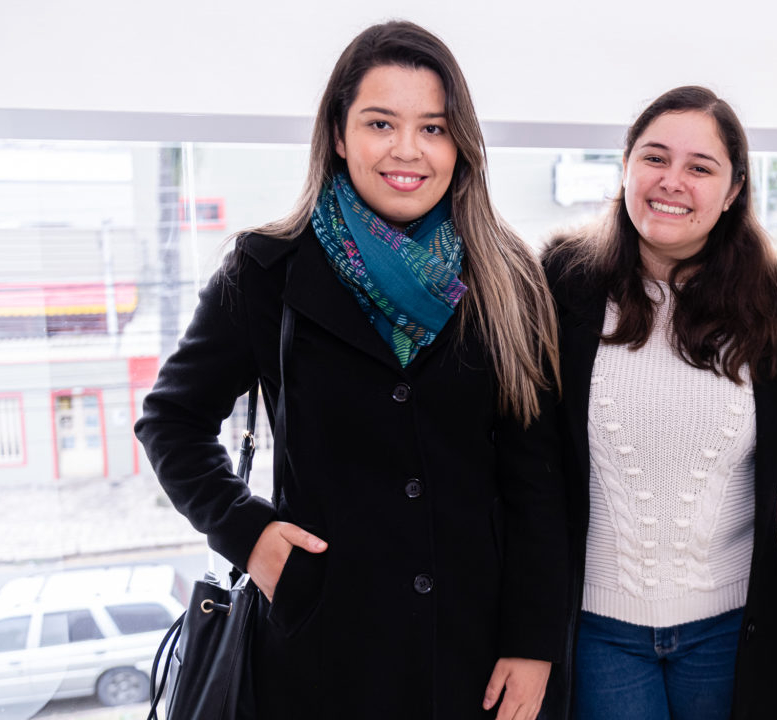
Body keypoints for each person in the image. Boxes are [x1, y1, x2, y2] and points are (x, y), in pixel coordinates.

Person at [135, 21, 567, 720]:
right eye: (380, 123)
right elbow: (171, 421)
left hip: (477, 657)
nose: (408, 150)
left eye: (433, 127)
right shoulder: (265, 270)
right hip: (322, 653)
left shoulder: (507, 278)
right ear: (338, 134)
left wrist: (534, 641)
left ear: (460, 143)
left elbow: (536, 481)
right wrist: (250, 535)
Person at [540, 86, 777, 720]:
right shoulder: (562, 288)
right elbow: (527, 465)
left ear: (734, 189)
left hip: (732, 628)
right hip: (598, 630)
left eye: (700, 167)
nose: (673, 181)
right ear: (627, 167)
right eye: (655, 158)